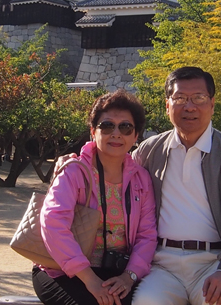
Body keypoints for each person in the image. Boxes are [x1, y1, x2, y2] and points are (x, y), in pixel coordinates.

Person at [133, 66, 221, 305]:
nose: (189, 107)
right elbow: (114, 172)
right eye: (179, 98)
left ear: (212, 104)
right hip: (161, 264)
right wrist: (76, 161)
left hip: (213, 262)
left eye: (199, 98)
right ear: (167, 105)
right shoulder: (150, 150)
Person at [33, 89, 158, 305]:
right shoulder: (74, 171)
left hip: (117, 273)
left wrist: (129, 277)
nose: (116, 134)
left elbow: (147, 235)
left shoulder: (142, 179)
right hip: (63, 270)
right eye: (107, 126)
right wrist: (89, 279)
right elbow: (53, 223)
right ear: (93, 131)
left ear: (136, 136)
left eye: (126, 127)